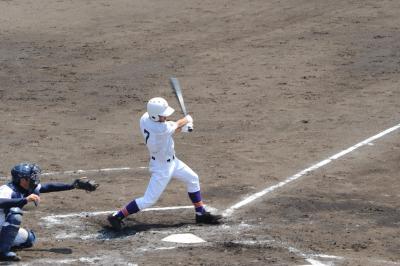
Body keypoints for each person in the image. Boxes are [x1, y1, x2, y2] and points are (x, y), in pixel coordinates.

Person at [108, 97, 222, 230]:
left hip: (173, 162)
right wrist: (187, 120)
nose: (166, 117)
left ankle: (200, 213)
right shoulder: (159, 128)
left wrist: (184, 128)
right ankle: (117, 216)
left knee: (193, 179)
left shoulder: (145, 118)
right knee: (149, 200)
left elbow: (170, 128)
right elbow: (174, 126)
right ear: (155, 116)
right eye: (163, 115)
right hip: (162, 168)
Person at [0, 162, 98, 261]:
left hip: (2, 226)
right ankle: (3, 252)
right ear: (22, 180)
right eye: (31, 177)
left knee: (30, 239)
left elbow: (49, 187)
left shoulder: (25, 188)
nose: (34, 180)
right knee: (15, 214)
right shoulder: (7, 190)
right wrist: (25, 200)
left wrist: (72, 185)